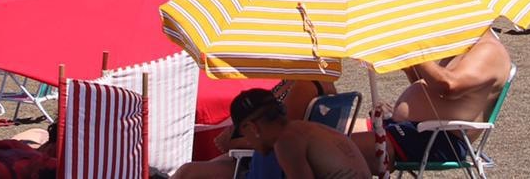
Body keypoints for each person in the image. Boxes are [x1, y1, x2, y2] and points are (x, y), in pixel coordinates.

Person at [354, 29, 511, 170]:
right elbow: (435, 91)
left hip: (434, 138)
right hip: (412, 129)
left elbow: (449, 86)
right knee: (334, 129)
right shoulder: (465, 43)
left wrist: (414, 49)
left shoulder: (488, 50)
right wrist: (410, 69)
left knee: (337, 147)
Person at [171, 79, 339, 179]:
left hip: (269, 165)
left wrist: (234, 142)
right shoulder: (320, 83)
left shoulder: (304, 86)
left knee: (187, 172)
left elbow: (280, 137)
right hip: (270, 160)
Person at [227, 89, 371, 179]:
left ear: (252, 127)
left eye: (243, 134)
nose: (248, 142)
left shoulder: (286, 140)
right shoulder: (304, 130)